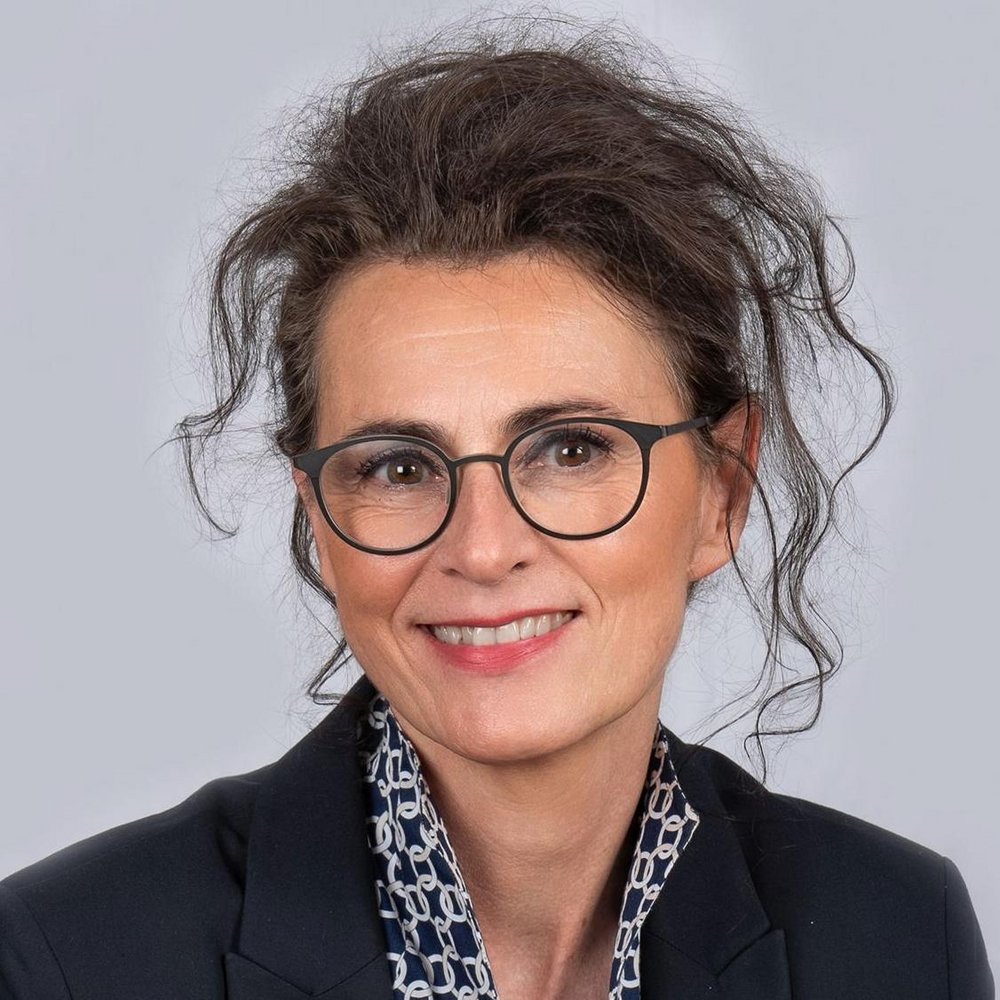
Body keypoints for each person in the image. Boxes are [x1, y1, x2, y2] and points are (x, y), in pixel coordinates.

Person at [0, 14, 993, 1000]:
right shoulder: (69, 963)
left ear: (721, 491)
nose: (482, 548)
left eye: (571, 449)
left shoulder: (899, 936)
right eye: (398, 468)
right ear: (316, 514)